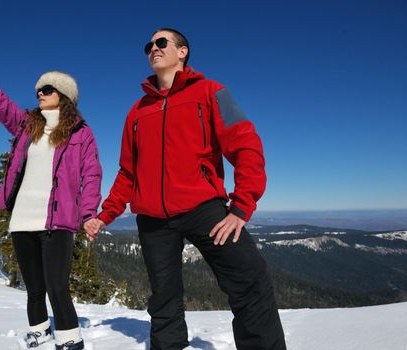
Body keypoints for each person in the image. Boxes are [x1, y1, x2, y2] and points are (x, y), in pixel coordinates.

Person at [86, 28, 287, 350]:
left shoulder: (211, 92)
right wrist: (105, 215)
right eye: (148, 45)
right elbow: (127, 172)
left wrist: (241, 206)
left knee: (250, 281)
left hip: (204, 209)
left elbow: (245, 145)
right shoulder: (137, 111)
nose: (153, 48)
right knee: (163, 298)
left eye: (161, 42)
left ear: (183, 52)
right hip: (152, 220)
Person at [0, 32, 101, 350]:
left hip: (57, 222)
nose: (40, 93)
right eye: (39, 89)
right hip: (23, 219)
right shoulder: (26, 125)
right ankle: (39, 332)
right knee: (34, 286)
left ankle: (70, 340)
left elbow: (92, 174)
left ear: (64, 95)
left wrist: (89, 214)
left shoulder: (81, 134)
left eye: (48, 89)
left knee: (57, 286)